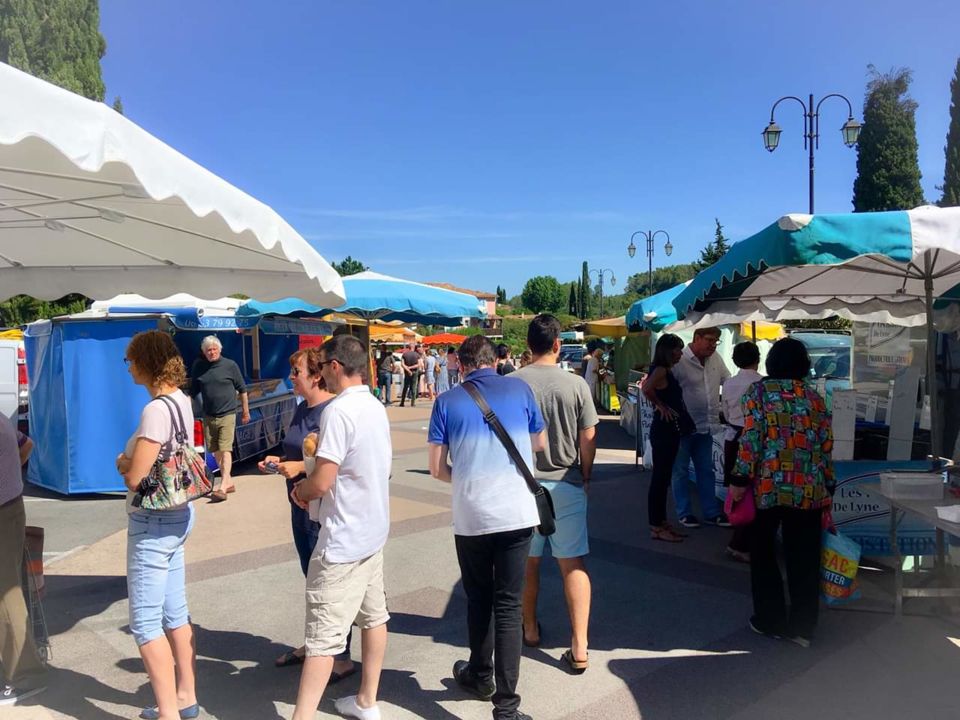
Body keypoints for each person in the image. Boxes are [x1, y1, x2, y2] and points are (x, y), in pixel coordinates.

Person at [428, 335, 546, 720]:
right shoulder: (521, 389)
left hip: (472, 515)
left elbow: (436, 468)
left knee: (478, 597)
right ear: (496, 360)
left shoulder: (446, 402)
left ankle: (480, 674)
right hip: (516, 512)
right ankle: (507, 708)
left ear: (460, 365)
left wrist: (466, 477)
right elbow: (539, 444)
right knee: (509, 605)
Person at [289, 335, 392, 720]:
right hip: (372, 531)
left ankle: (302, 717)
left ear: (335, 366)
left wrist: (301, 488)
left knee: (321, 639)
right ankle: (367, 700)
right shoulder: (374, 405)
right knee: (374, 617)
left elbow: (323, 478)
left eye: (322, 367)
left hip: (342, 539)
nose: (320, 375)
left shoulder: (339, 411)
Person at [258, 349, 356, 680]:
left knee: (327, 582)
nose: (291, 377)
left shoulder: (334, 410)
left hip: (320, 508)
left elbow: (334, 462)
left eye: (296, 371)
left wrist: (298, 466)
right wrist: (277, 460)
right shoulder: (302, 408)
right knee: (311, 579)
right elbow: (299, 448)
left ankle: (340, 657)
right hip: (298, 504)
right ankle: (317, 645)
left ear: (316, 375)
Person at [117, 330, 199, 720]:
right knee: (174, 612)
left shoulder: (154, 409)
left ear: (148, 363)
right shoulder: (181, 401)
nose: (128, 365)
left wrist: (122, 463)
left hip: (152, 519)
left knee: (145, 622)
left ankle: (168, 712)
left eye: (131, 359)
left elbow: (137, 477)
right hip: (178, 513)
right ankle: (186, 696)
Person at [732, 337, 834, 647]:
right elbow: (825, 444)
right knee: (804, 556)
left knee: (763, 554)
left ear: (772, 362)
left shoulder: (759, 393)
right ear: (804, 365)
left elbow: (752, 438)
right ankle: (803, 627)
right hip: (809, 488)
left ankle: (771, 620)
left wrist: (739, 479)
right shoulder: (815, 397)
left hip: (769, 486)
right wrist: (829, 483)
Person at [515, 314, 597, 674]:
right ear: (557, 344)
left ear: (528, 345)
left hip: (522, 485)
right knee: (573, 563)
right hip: (566, 480)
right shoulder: (576, 384)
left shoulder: (512, 383)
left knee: (527, 562)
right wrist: (586, 474)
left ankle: (529, 629)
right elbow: (589, 436)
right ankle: (579, 645)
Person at [0, 421, 46, 707]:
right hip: (10, 506)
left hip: (4, 511)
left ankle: (25, 674)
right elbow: (26, 444)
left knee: (6, 595)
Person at [670, 327, 731, 529]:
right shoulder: (679, 360)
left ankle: (711, 512)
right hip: (682, 428)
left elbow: (728, 382)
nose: (713, 345)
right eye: (710, 340)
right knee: (679, 471)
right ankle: (684, 512)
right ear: (697, 338)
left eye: (716, 341)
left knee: (706, 470)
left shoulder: (716, 359)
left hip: (706, 425)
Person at [641, 333, 692, 543]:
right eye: (678, 349)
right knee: (660, 480)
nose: (680, 353)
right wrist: (661, 405)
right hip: (664, 431)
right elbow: (646, 388)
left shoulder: (664, 370)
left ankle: (661, 522)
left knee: (663, 479)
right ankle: (656, 525)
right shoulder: (661, 370)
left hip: (666, 430)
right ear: (668, 350)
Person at [189, 335, 250, 501]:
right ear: (203, 352)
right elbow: (193, 391)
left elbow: (242, 389)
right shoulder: (198, 367)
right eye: (208, 350)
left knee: (225, 448)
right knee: (215, 450)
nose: (211, 352)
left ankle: (222, 486)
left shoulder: (230, 365)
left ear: (220, 349)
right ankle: (228, 482)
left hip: (228, 413)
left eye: (214, 349)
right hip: (209, 415)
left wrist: (245, 411)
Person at [721, 342, 764, 563]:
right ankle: (739, 543)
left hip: (733, 437)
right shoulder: (762, 383)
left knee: (737, 491)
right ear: (758, 358)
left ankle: (738, 536)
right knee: (754, 492)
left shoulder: (729, 383)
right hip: (754, 440)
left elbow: (727, 413)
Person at [399, 343, 420, 407]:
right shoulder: (417, 355)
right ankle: (413, 403)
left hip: (407, 373)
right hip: (415, 372)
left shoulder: (404, 354)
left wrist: (408, 370)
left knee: (405, 387)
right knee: (413, 387)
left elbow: (402, 364)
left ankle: (402, 402)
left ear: (408, 347)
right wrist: (411, 368)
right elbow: (419, 364)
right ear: (413, 347)